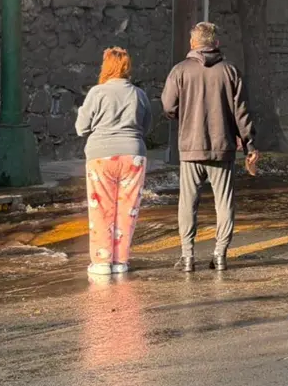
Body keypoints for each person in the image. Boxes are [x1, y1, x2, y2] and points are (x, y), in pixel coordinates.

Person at [161, 22, 259, 273]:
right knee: (224, 203)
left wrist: (186, 114)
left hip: (190, 147)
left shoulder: (180, 71)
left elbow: (168, 107)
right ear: (216, 43)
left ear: (192, 43)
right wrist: (249, 145)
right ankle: (220, 255)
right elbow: (242, 113)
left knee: (187, 203)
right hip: (222, 147)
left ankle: (187, 257)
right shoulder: (230, 71)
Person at [75, 47, 152, 276]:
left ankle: (101, 262)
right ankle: (121, 261)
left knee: (100, 209)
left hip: (101, 155)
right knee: (128, 210)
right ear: (127, 67)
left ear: (105, 66)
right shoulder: (139, 94)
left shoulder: (97, 93)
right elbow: (146, 126)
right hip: (133, 154)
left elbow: (81, 128)